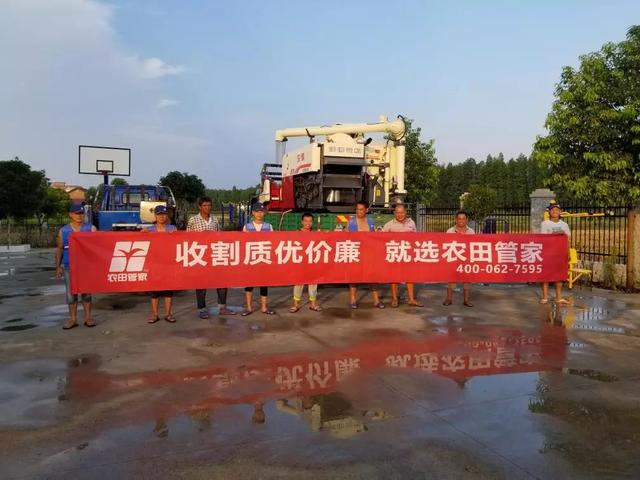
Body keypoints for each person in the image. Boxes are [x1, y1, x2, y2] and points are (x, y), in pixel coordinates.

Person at [187, 196, 235, 319]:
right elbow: (187, 238)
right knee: (201, 283)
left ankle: (222, 307)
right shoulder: (193, 220)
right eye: (204, 205)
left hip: (214, 254)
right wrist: (201, 236)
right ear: (199, 207)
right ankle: (202, 309)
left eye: (209, 205)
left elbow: (219, 235)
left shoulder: (214, 219)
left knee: (221, 281)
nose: (207, 208)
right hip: (200, 255)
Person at [55, 203, 96, 330]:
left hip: (85, 267)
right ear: (71, 215)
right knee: (71, 294)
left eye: (81, 213)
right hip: (69, 266)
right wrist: (58, 267)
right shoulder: (63, 231)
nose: (79, 216)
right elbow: (60, 249)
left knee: (86, 292)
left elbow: (98, 247)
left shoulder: (91, 229)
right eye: (77, 213)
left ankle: (88, 318)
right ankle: (73, 319)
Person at [382, 203, 423, 307]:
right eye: (397, 213)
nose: (400, 215)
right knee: (394, 277)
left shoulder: (411, 223)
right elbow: (381, 239)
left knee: (410, 276)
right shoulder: (389, 225)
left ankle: (411, 299)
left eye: (402, 212)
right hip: (394, 254)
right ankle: (394, 299)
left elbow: (416, 237)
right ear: (394, 213)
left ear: (405, 212)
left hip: (408, 254)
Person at [347, 201, 384, 309]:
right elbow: (345, 235)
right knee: (354, 276)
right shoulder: (351, 221)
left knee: (373, 276)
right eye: (357, 209)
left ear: (366, 210)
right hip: (355, 253)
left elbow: (374, 235)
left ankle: (376, 300)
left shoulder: (370, 221)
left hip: (369, 253)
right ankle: (353, 299)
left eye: (361, 209)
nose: (359, 211)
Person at [242, 202, 275, 316]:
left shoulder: (269, 226)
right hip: (251, 259)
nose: (259, 214)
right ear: (253, 213)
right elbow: (242, 243)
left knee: (264, 284)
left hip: (264, 259)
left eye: (261, 211)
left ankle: (264, 308)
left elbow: (273, 242)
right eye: (257, 212)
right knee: (249, 284)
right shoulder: (247, 227)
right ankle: (249, 308)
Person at [145, 205, 177, 323]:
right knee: (154, 291)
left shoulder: (172, 228)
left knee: (168, 290)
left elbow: (179, 241)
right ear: (155, 216)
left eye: (164, 214)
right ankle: (155, 314)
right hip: (154, 264)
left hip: (168, 264)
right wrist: (141, 233)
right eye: (159, 214)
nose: (162, 216)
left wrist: (176, 234)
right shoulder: (149, 229)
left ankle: (168, 314)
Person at [290, 212, 322, 313]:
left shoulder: (315, 233)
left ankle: (313, 304)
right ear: (302, 222)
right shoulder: (296, 233)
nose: (308, 223)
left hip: (312, 262)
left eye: (310, 221)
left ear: (312, 222)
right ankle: (295, 305)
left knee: (313, 283)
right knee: (298, 283)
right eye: (306, 221)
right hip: (300, 262)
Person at [540, 202, 571, 305]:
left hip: (560, 254)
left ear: (560, 212)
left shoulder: (564, 225)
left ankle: (558, 297)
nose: (555, 211)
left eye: (557, 210)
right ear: (549, 212)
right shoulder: (545, 224)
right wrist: (557, 234)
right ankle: (545, 297)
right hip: (548, 253)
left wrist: (568, 252)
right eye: (552, 210)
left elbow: (567, 240)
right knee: (546, 276)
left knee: (559, 276)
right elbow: (543, 238)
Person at [443, 210, 475, 307]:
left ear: (467, 220)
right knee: (451, 279)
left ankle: (466, 300)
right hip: (453, 258)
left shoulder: (471, 231)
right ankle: (449, 299)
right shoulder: (450, 231)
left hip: (466, 259)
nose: (461, 221)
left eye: (463, 219)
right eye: (459, 219)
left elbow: (474, 245)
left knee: (467, 279)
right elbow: (445, 245)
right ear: (456, 220)